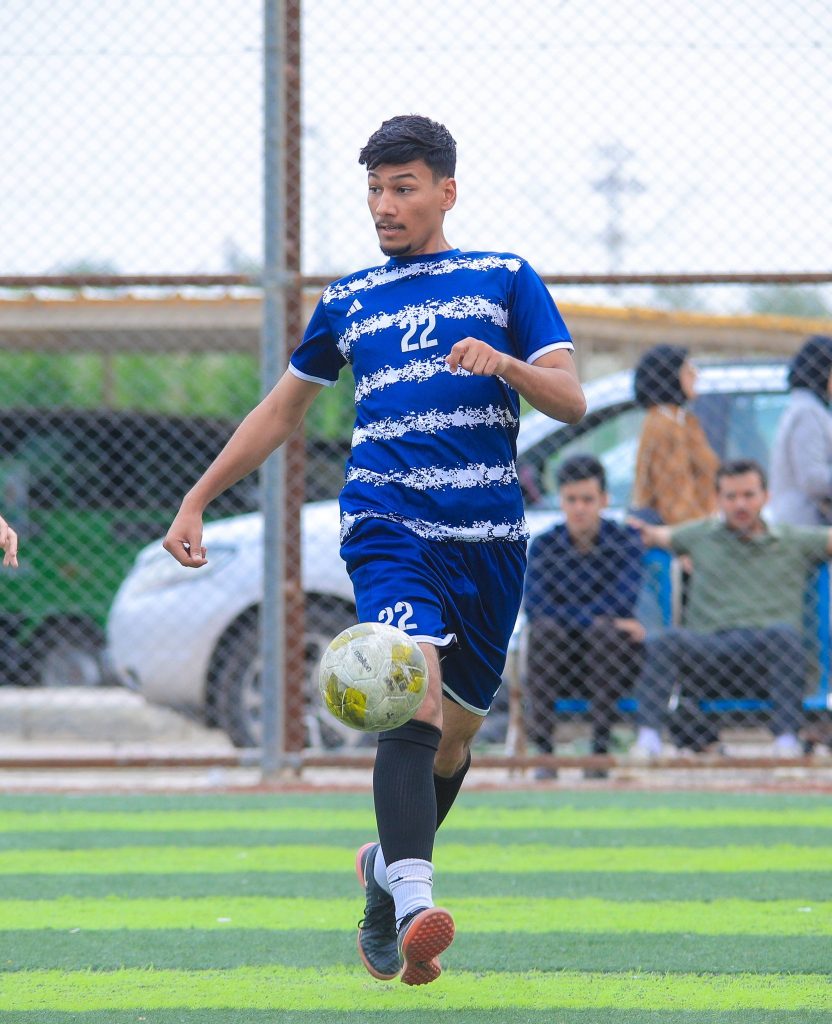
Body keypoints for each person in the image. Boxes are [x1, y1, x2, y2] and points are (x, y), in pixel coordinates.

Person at [162, 115, 585, 985]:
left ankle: (383, 882)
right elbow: (281, 410)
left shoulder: (505, 278)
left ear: (446, 192)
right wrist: (197, 497)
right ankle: (421, 903)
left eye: (403, 188)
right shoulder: (347, 299)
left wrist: (507, 365)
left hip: (490, 542)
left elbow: (572, 400)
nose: (384, 205)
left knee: (454, 743)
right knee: (412, 697)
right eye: (374, 189)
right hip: (387, 524)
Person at [629, 459, 832, 759]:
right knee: (666, 641)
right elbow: (653, 535)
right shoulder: (700, 535)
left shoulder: (793, 539)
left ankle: (786, 743)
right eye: (731, 496)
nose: (740, 505)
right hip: (709, 655)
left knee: (785, 637)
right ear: (718, 499)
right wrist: (631, 528)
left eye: (749, 495)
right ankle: (648, 740)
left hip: (766, 657)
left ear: (766, 496)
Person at [523, 454, 645, 776]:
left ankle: (598, 752)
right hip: (558, 658)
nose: (579, 508)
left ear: (604, 500)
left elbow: (623, 602)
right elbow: (535, 608)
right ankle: (544, 756)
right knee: (546, 632)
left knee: (603, 633)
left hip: (613, 660)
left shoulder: (625, 542)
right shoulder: (544, 546)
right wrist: (596, 617)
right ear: (560, 501)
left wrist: (579, 617)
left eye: (587, 500)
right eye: (571, 499)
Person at [631, 344, 719, 524]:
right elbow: (675, 498)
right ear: (670, 376)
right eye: (687, 370)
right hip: (682, 532)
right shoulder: (664, 424)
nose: (695, 375)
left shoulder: (682, 420)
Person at [769, 334, 832, 526]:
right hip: (805, 525)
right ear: (822, 370)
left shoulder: (813, 408)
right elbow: (812, 478)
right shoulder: (807, 412)